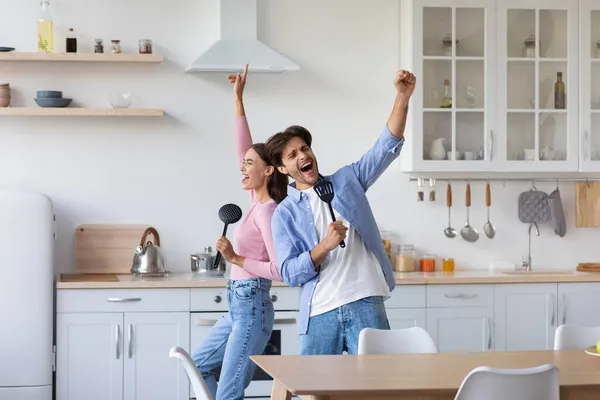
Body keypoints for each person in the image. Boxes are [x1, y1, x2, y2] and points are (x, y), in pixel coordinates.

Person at [266, 69, 416, 355]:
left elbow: (385, 148)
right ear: (284, 169)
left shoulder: (348, 181)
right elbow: (289, 273)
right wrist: (324, 246)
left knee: (379, 387)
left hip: (365, 300)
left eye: (305, 148)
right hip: (320, 311)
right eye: (293, 155)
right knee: (312, 392)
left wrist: (402, 98)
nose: (303, 156)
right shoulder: (283, 214)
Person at [191, 64, 288, 400]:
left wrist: (235, 257)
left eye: (250, 163)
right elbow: (242, 146)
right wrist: (238, 98)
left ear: (268, 170)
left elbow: (279, 271)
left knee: (229, 390)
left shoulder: (269, 212)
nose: (242, 166)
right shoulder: (254, 200)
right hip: (236, 305)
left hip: (252, 305)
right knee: (199, 365)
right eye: (243, 162)